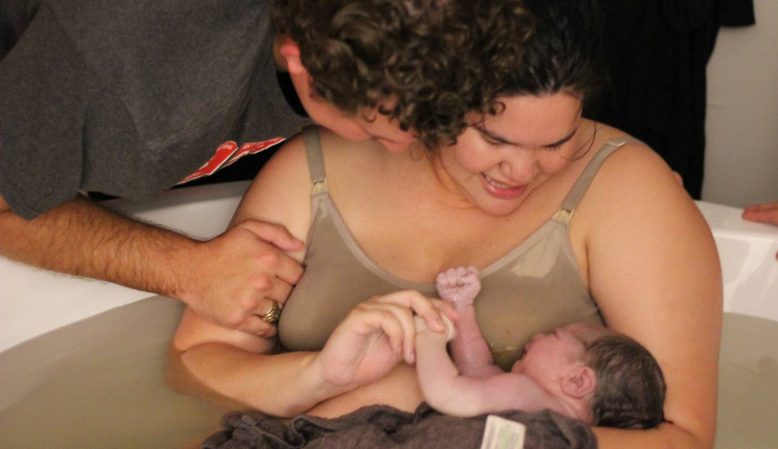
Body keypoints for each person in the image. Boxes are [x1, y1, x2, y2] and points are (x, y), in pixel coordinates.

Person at [172, 0, 722, 447]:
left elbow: (683, 438)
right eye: (494, 139)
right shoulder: (312, 170)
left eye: (558, 142)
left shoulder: (627, 189)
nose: (524, 171)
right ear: (433, 98)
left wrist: (492, 433)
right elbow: (196, 363)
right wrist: (319, 377)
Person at [0, 0, 520, 335]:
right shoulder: (123, 72)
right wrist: (187, 270)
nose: (410, 148)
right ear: (301, 61)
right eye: (379, 128)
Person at [415, 266, 666, 430]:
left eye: (553, 335)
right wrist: (461, 307)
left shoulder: (525, 394)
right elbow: (478, 368)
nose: (537, 335)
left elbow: (448, 395)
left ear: (577, 381)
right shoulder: (545, 412)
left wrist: (427, 335)